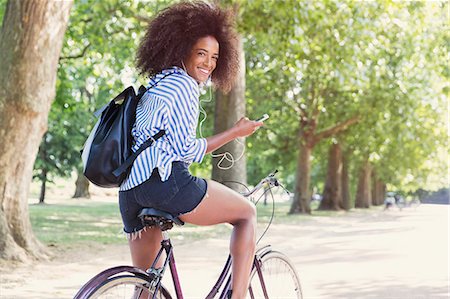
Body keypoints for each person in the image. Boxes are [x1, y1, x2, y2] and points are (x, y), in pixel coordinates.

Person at [118, 2, 263, 298]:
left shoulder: (156, 85)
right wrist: (236, 132)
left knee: (146, 288)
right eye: (201, 53)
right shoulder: (184, 87)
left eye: (214, 57)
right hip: (165, 184)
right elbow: (185, 150)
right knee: (247, 213)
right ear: (182, 49)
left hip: (130, 193)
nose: (208, 64)